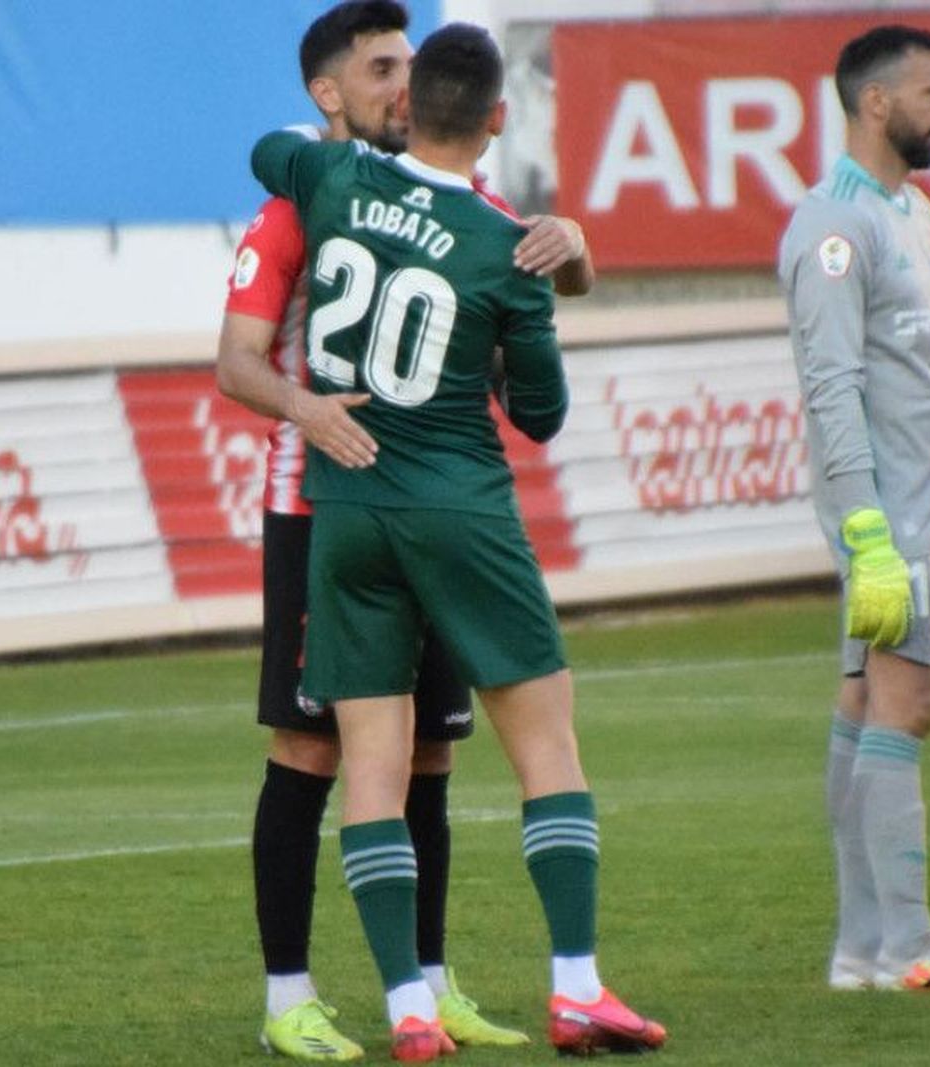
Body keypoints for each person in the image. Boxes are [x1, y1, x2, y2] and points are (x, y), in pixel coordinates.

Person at [249, 22, 665, 1062]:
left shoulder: (332, 178)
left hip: (344, 506)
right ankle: (575, 986)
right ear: (496, 116)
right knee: (546, 745)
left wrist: (331, 144)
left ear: (408, 104)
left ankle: (408, 1010)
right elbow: (540, 412)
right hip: (459, 510)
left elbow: (269, 149)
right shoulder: (504, 239)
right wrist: (542, 285)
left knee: (376, 768)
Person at [778, 24, 930, 996]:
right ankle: (912, 943)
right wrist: (866, 532)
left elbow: (914, 350)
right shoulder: (832, 225)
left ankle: (860, 948)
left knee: (864, 701)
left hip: (928, 495)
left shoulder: (911, 210)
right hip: (888, 513)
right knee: (906, 705)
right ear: (875, 103)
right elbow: (829, 384)